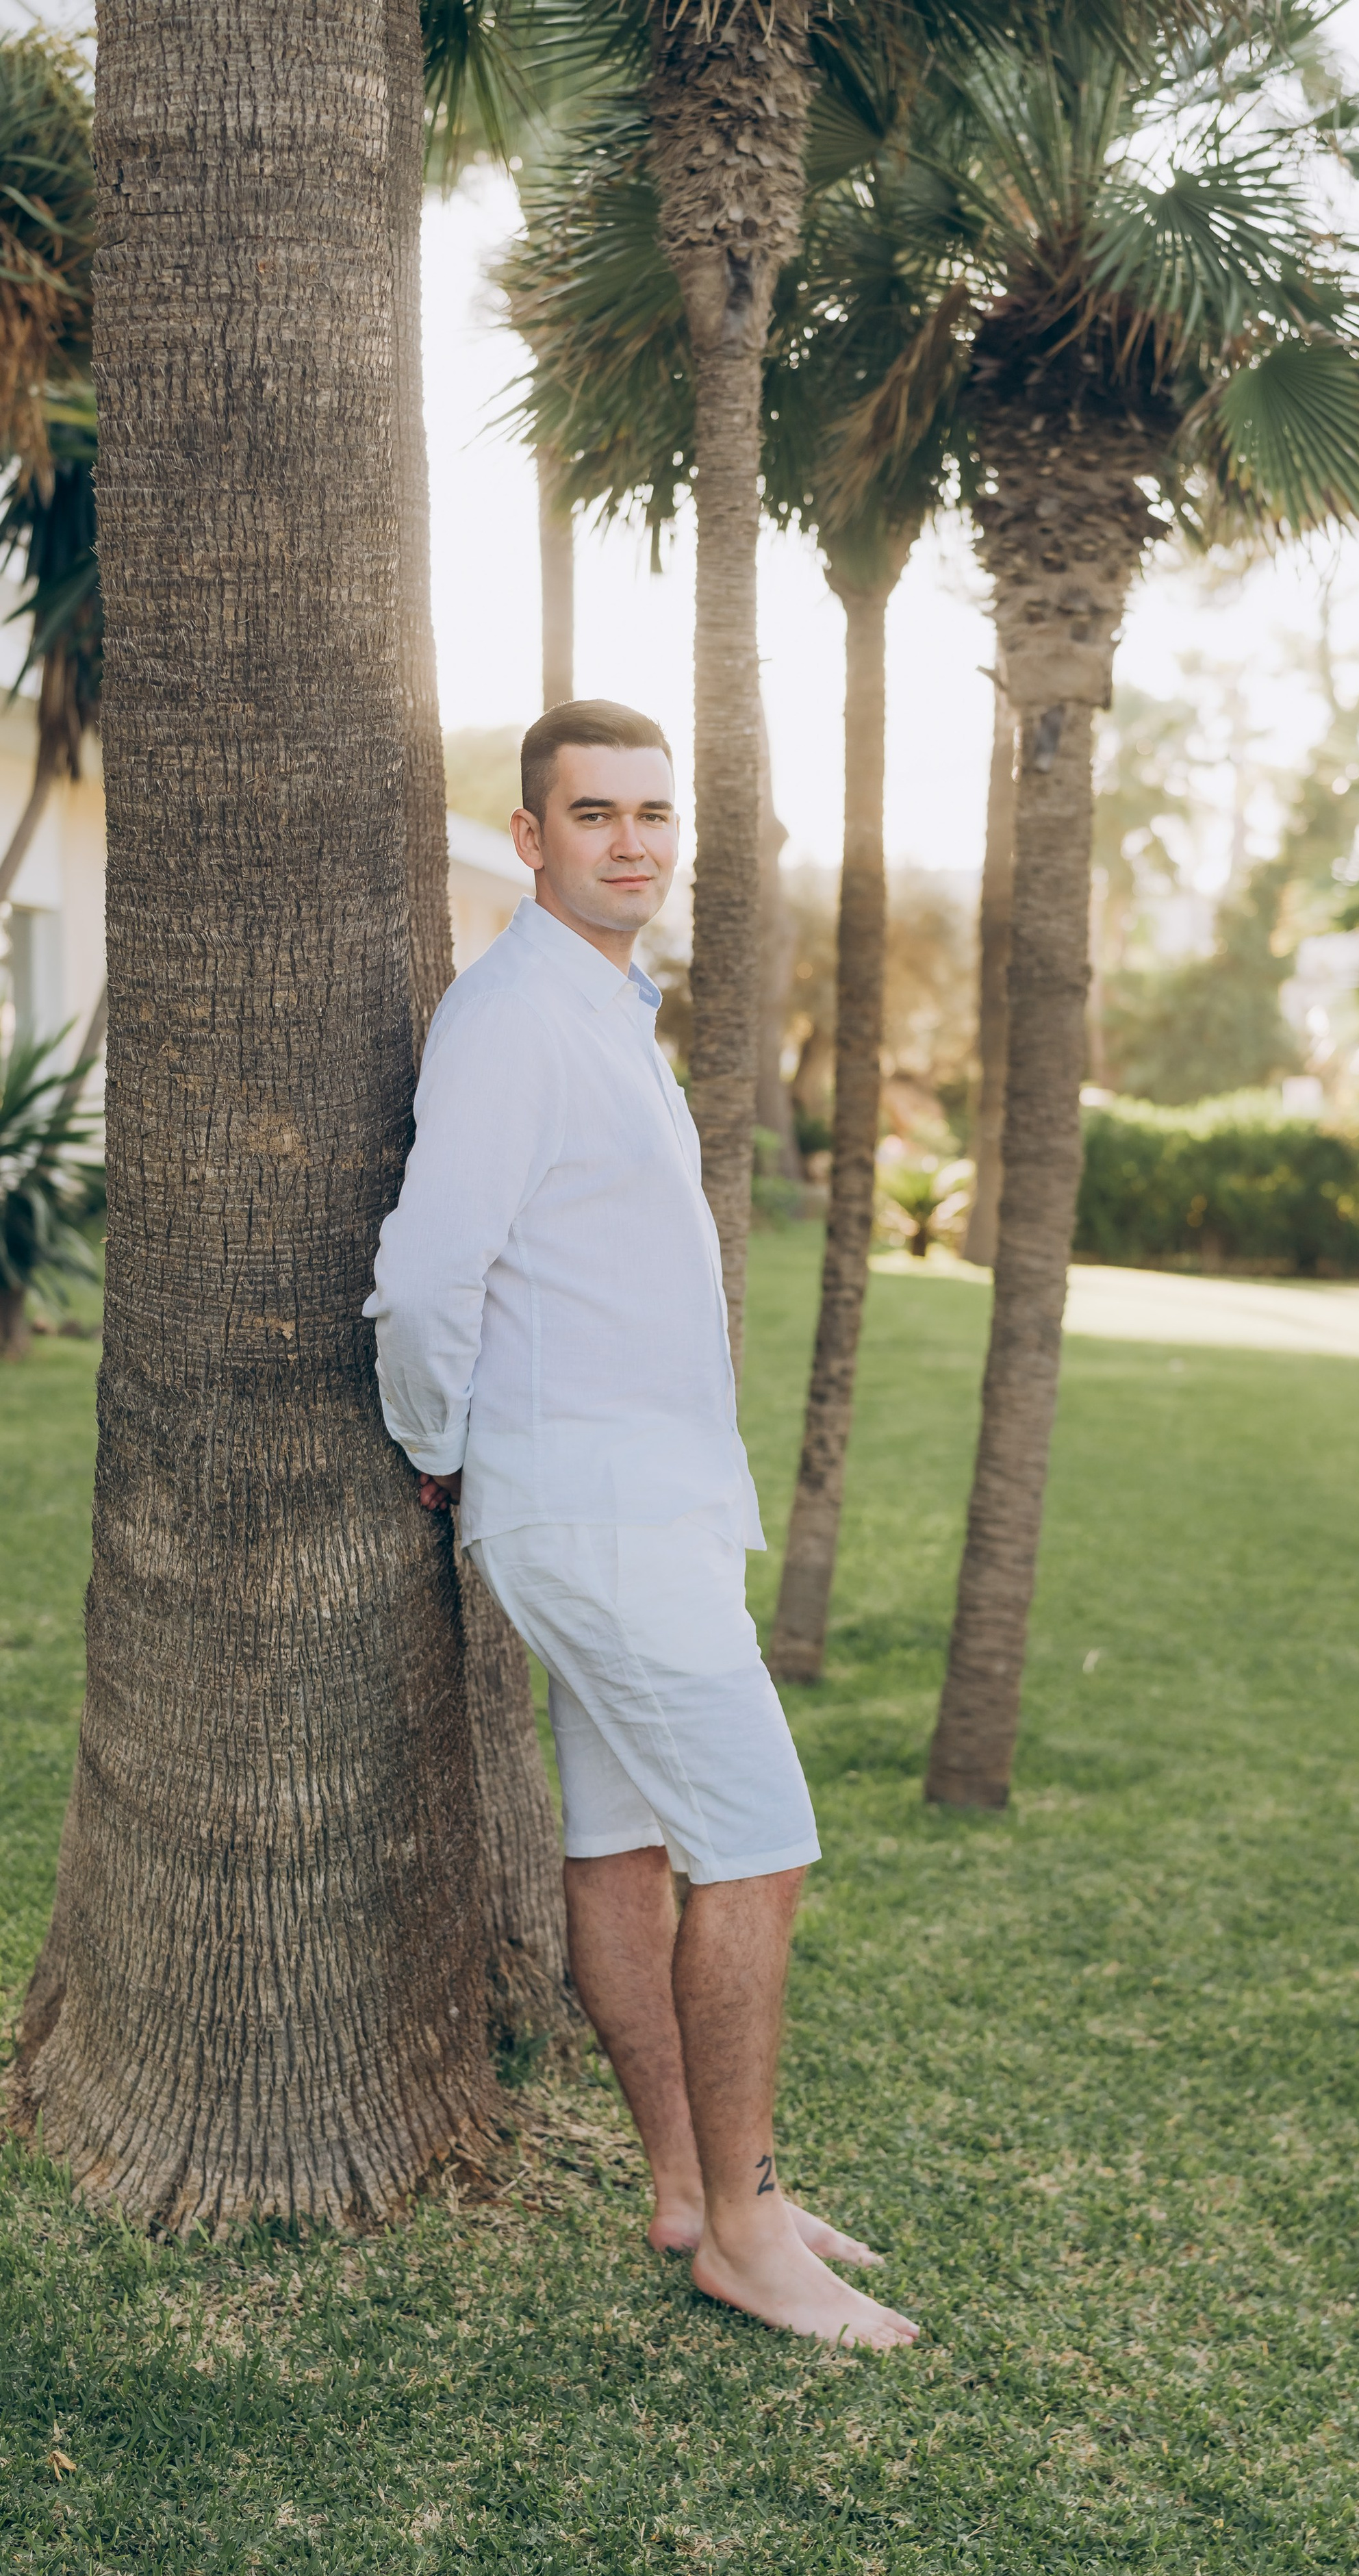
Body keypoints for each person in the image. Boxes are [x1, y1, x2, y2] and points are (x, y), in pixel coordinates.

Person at [366, 698, 917, 2351]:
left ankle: (688, 2194)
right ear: (529, 837)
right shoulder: (512, 1019)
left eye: (652, 813)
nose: (631, 841)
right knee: (758, 1844)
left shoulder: (606, 1007)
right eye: (594, 813)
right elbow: (424, 1278)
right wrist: (436, 1445)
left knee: (620, 1849)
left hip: (649, 1502)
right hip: (591, 1506)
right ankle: (745, 2233)